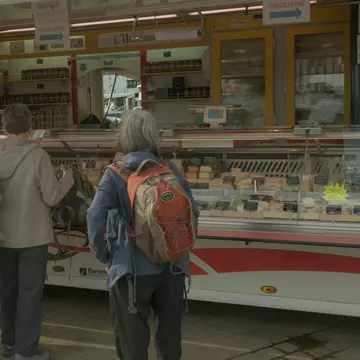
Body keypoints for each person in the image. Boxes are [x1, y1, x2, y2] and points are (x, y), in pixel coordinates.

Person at [87, 109, 198, 360]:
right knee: (170, 338)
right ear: (152, 135)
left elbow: (94, 216)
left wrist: (104, 256)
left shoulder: (115, 173)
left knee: (133, 340)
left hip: (133, 271)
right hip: (173, 266)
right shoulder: (168, 168)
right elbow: (193, 209)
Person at [0, 104, 74, 360]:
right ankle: (26, 350)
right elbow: (52, 197)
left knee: (7, 293)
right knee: (29, 295)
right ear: (30, 128)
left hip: (2, 237)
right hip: (32, 238)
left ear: (4, 128)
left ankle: (8, 344)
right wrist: (68, 177)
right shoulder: (38, 156)